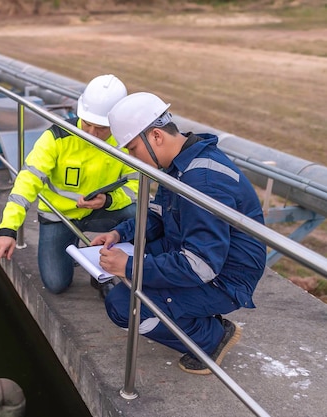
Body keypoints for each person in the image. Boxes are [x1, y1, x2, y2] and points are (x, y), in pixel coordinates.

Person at [91, 92, 267, 375]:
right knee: (121, 279)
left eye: (133, 148)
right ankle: (192, 317)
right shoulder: (182, 163)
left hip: (225, 277)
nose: (131, 157)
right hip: (199, 255)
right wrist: (120, 234)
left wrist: (131, 266)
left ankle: (210, 338)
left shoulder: (203, 182)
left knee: (125, 307)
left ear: (157, 136)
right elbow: (161, 215)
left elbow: (202, 266)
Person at [0, 74, 139, 297]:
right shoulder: (55, 138)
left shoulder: (124, 142)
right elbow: (26, 183)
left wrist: (108, 200)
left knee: (138, 215)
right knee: (56, 283)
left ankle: (103, 267)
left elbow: (135, 186)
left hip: (103, 211)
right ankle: (76, 249)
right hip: (59, 216)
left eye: (101, 128)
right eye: (87, 124)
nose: (91, 133)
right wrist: (7, 229)